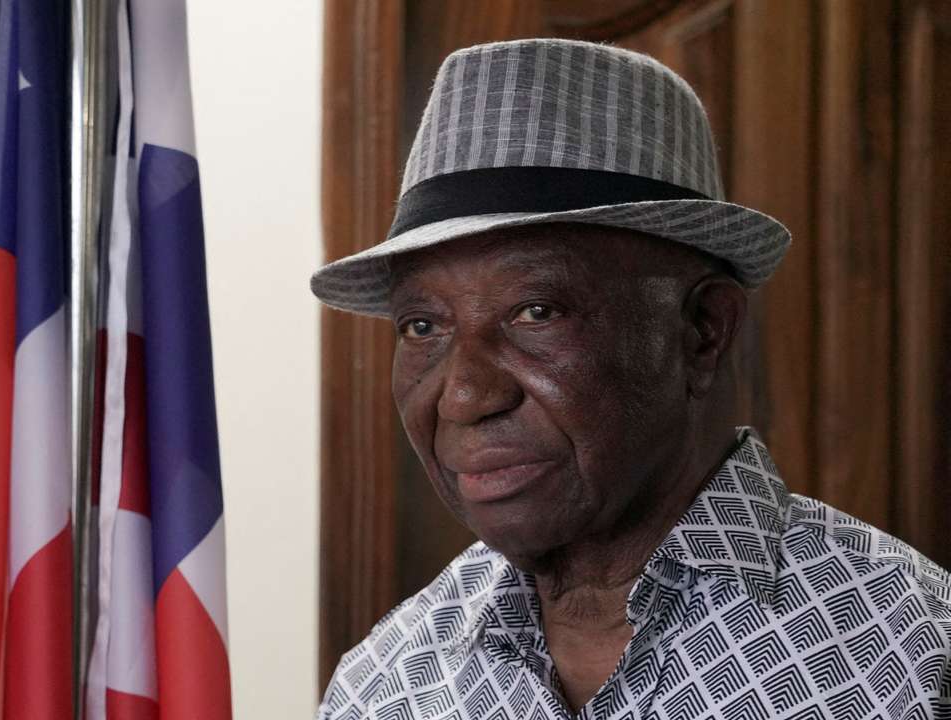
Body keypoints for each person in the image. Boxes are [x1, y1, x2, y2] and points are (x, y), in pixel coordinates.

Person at [310, 39, 951, 719]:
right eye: (421, 327)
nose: (466, 396)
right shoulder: (387, 683)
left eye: (536, 311)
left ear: (703, 331)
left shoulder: (909, 656)